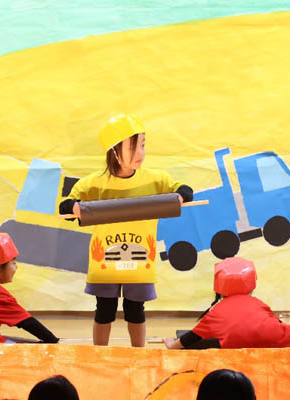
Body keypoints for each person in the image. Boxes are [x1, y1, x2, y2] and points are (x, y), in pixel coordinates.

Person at [59, 114, 193, 347]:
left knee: (135, 309)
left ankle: (138, 354)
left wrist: (180, 196)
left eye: (143, 145)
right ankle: (99, 353)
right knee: (104, 309)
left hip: (140, 262)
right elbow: (66, 205)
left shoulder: (156, 179)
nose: (140, 153)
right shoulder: (94, 183)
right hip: (105, 261)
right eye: (133, 147)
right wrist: (75, 207)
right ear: (114, 151)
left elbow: (184, 190)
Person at [163, 257, 290, 349]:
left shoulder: (215, 313)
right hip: (279, 338)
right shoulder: (256, 303)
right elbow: (274, 322)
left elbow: (191, 337)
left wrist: (172, 344)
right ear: (251, 283)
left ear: (219, 286)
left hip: (241, 347)